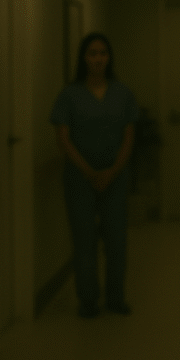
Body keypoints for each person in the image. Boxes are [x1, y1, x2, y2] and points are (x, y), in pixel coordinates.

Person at [51, 32, 138, 318]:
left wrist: (112, 171)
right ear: (83, 59)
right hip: (80, 179)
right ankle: (88, 301)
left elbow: (128, 136)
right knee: (84, 240)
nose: (98, 59)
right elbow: (63, 139)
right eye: (92, 53)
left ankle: (116, 298)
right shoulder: (69, 95)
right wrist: (89, 172)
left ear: (109, 58)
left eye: (102, 53)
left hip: (116, 178)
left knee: (116, 241)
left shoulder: (122, 93)